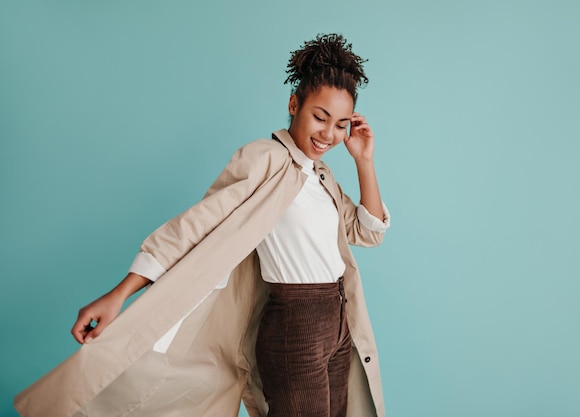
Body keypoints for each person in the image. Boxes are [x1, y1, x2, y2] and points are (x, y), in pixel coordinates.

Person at [15, 33, 390, 417]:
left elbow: (367, 231)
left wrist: (364, 160)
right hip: (297, 327)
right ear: (294, 104)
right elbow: (195, 226)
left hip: (339, 320)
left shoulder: (321, 176)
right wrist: (120, 293)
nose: (329, 134)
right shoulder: (264, 161)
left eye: (341, 124)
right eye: (320, 117)